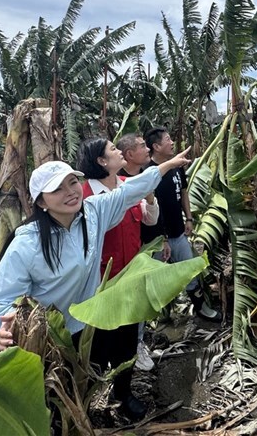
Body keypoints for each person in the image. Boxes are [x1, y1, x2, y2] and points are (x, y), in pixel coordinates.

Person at [0, 147, 191, 420]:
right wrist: (5, 325)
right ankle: (67, 418)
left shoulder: (92, 212)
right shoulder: (28, 242)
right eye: (57, 189)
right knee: (67, 385)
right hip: (57, 330)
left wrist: (164, 167)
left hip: (93, 313)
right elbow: (1, 298)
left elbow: (130, 191)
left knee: (123, 345)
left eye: (72, 182)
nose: (70, 192)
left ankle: (122, 395)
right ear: (42, 202)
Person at [75, 137, 160, 416]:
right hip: (99, 285)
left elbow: (150, 219)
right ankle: (84, 402)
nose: (118, 152)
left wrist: (148, 195)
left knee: (127, 342)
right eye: (112, 150)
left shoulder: (127, 186)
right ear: (101, 162)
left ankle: (123, 394)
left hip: (129, 279)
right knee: (97, 347)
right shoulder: (84, 195)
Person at [144, 127, 221, 321]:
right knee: (158, 279)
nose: (172, 143)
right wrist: (162, 239)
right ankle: (159, 317)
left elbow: (184, 192)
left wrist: (188, 217)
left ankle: (201, 308)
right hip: (157, 239)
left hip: (178, 232)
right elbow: (151, 207)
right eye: (168, 139)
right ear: (156, 146)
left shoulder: (176, 166)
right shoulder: (149, 173)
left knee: (190, 272)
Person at [115, 133, 171, 371]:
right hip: (125, 257)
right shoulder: (121, 184)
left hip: (149, 246)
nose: (147, 149)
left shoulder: (145, 177)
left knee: (145, 298)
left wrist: (163, 239)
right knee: (131, 302)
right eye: (141, 146)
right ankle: (133, 347)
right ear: (129, 154)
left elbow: (152, 217)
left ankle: (139, 339)